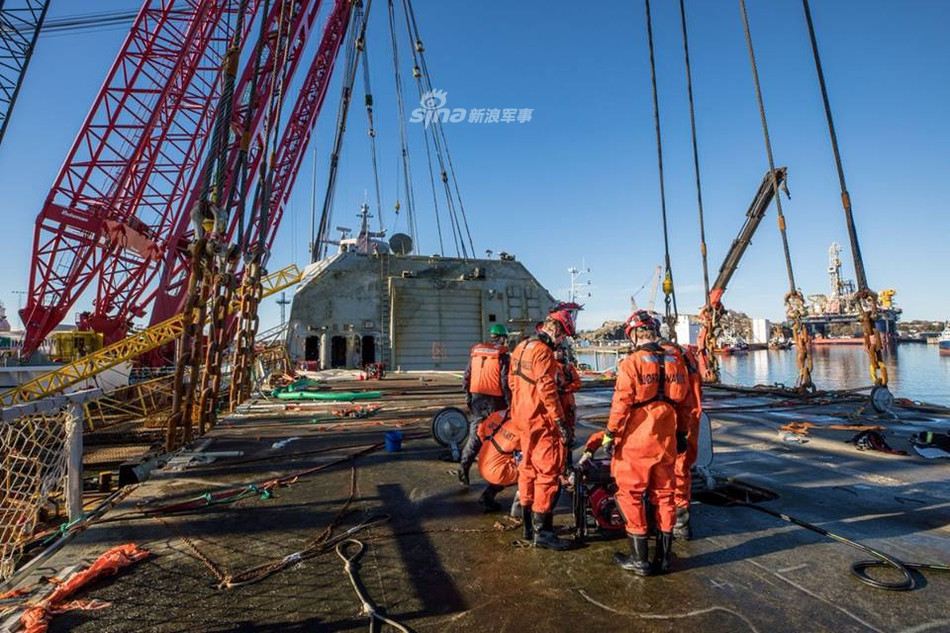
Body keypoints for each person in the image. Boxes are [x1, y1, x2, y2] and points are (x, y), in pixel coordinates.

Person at [603, 310, 691, 575]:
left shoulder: (631, 363)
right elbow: (685, 404)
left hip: (637, 441)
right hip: (667, 438)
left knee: (630, 495)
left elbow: (621, 404)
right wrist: (682, 434)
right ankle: (664, 557)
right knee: (665, 496)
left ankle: (639, 559)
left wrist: (609, 433)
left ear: (633, 336)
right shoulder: (677, 361)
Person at [508, 309, 575, 550]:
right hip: (540, 421)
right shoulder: (544, 353)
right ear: (556, 330)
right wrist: (559, 422)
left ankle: (528, 528)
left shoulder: (521, 347)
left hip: (521, 418)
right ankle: (543, 532)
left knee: (526, 470)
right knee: (547, 474)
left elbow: (512, 382)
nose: (562, 341)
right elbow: (548, 390)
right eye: (563, 336)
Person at [657, 330, 703, 540]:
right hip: (692, 415)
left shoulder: (667, 357)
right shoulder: (686, 354)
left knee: (674, 469)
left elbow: (673, 392)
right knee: (683, 468)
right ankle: (681, 521)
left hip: (677, 418)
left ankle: (677, 523)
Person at [458, 324, 511, 486]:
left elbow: (466, 377)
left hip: (477, 399)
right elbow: (504, 382)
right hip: (496, 401)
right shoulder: (502, 357)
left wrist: (468, 397)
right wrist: (510, 404)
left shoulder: (476, 354)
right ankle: (495, 474)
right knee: (499, 437)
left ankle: (464, 466)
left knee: (475, 435)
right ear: (502, 338)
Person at [475, 409, 520, 512]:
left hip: (482, 463)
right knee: (530, 471)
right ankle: (519, 508)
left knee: (506, 462)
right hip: (497, 472)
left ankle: (488, 496)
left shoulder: (498, 414)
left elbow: (480, 431)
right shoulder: (521, 426)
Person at [555, 343, 582, 468]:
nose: (558, 353)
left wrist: (565, 389)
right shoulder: (547, 366)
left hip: (567, 404)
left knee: (569, 436)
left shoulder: (568, 367)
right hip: (554, 403)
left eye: (560, 350)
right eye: (556, 351)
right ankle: (558, 467)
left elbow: (577, 383)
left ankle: (569, 466)